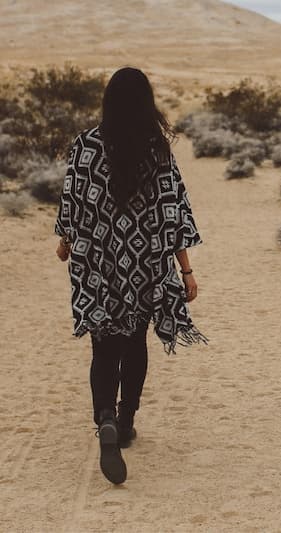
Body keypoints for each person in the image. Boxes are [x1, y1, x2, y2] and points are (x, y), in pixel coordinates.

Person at [54, 67, 209, 485]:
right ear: (146, 103)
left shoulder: (84, 145)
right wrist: (186, 270)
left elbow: (73, 202)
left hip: (98, 266)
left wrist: (67, 241)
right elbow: (173, 215)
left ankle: (103, 415)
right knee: (135, 342)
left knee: (103, 345)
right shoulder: (157, 150)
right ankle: (124, 421)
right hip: (143, 267)